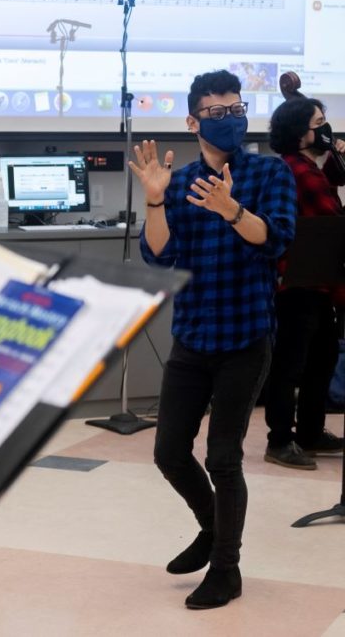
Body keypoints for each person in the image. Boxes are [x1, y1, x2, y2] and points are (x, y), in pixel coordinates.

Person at [129, 69, 296, 609]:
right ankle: (211, 527)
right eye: (217, 113)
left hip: (246, 336)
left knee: (223, 458)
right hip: (193, 336)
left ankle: (227, 568)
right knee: (169, 452)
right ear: (193, 121)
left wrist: (233, 210)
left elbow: (274, 241)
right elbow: (159, 254)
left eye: (237, 109)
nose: (231, 120)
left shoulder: (270, 173)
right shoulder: (176, 182)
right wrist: (155, 202)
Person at [263, 97, 345, 469]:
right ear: (300, 132)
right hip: (299, 283)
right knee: (292, 365)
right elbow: (331, 218)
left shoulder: (313, 168)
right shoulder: (298, 172)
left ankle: (310, 432)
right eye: (319, 122)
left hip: (316, 281)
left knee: (321, 359)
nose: (326, 129)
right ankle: (280, 439)